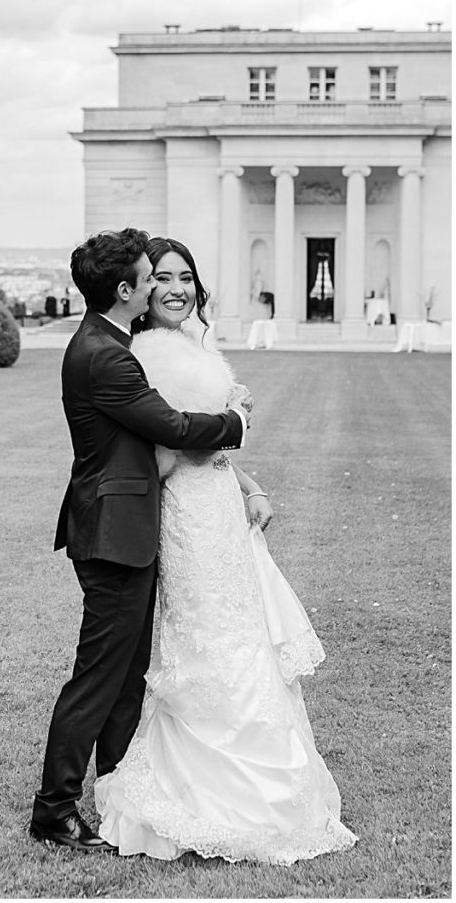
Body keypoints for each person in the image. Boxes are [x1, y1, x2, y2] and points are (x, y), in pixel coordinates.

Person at [95, 236, 358, 864]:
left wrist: (249, 481)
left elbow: (209, 443)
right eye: (162, 278)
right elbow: (162, 452)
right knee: (205, 638)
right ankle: (200, 787)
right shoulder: (145, 357)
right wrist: (223, 429)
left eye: (186, 277)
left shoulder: (195, 343)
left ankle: (265, 777)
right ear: (140, 288)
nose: (178, 289)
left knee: (243, 635)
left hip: (219, 510)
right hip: (185, 515)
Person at [29, 228, 254, 853]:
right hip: (112, 535)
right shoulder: (106, 355)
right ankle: (53, 811)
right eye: (149, 277)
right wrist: (236, 419)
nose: (160, 284)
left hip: (124, 530)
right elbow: (174, 426)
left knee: (126, 678)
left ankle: (117, 790)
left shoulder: (110, 341)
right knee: (98, 677)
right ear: (127, 290)